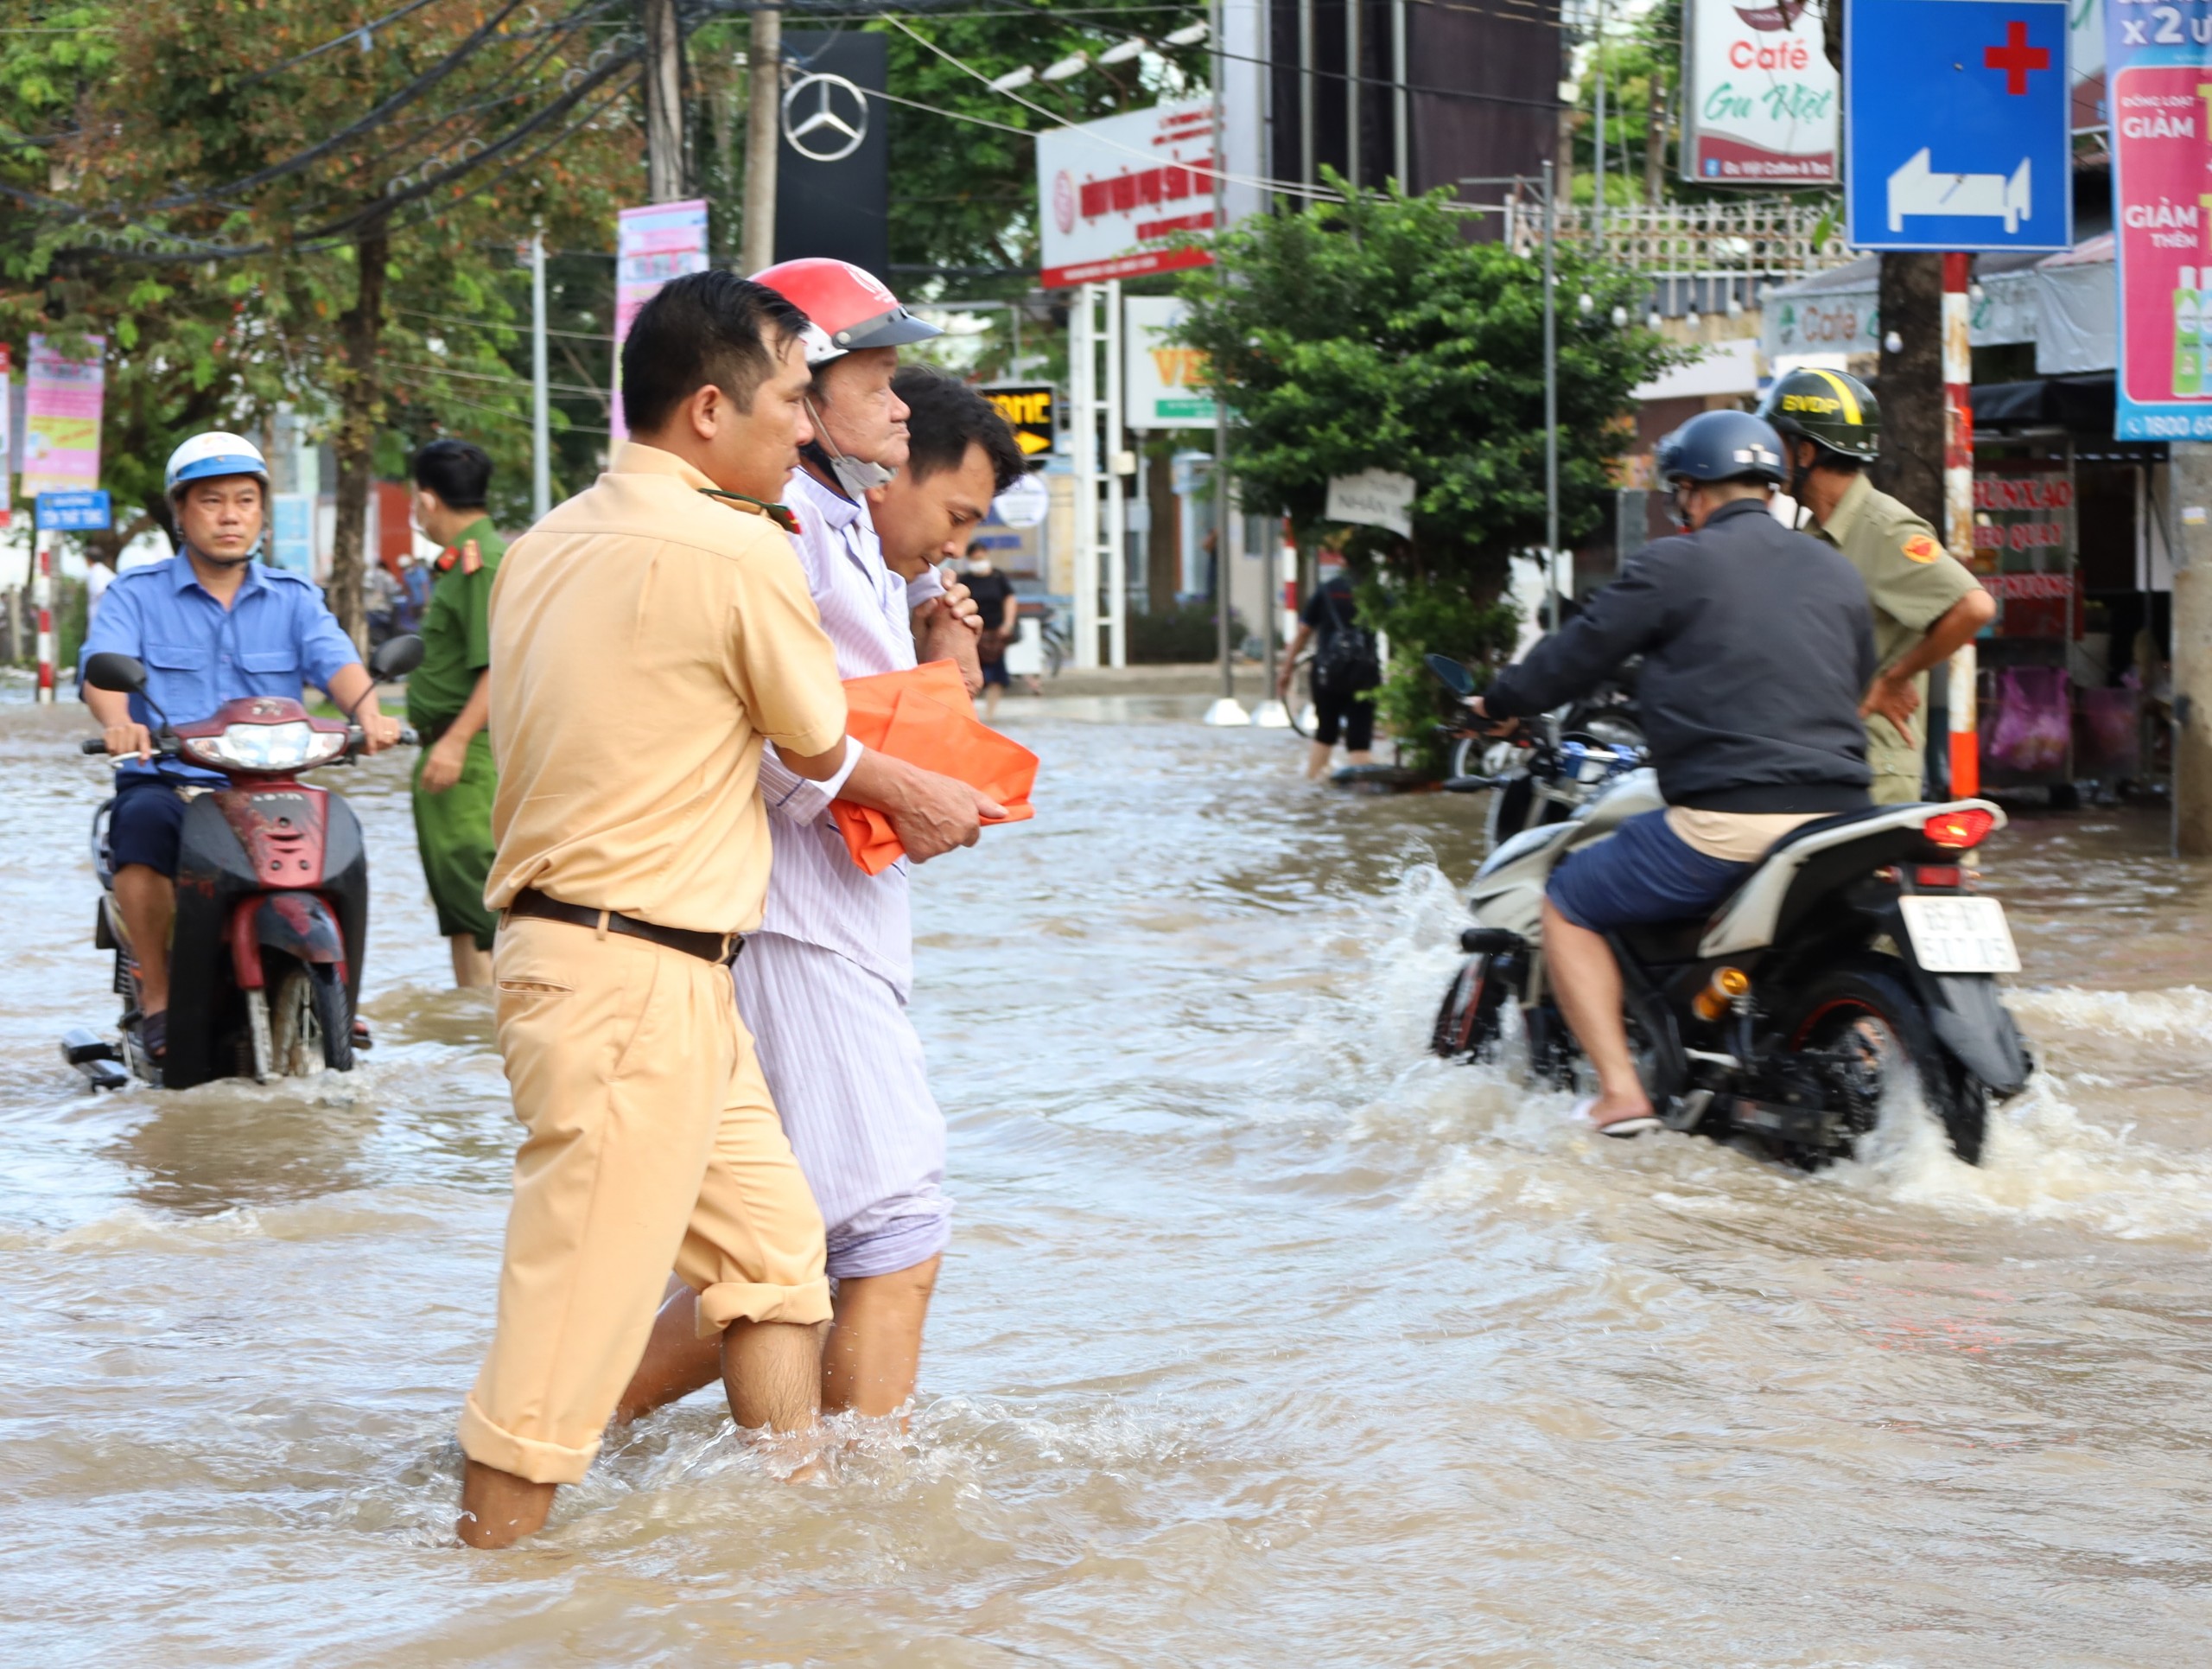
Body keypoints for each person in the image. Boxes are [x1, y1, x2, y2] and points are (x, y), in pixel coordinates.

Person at [454, 269, 1000, 1550]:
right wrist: (930, 780)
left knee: (773, 1257)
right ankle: (479, 1593)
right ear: (709, 410)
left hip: (643, 959)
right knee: (564, 1326)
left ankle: (793, 1538)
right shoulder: (739, 544)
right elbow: (820, 743)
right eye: (795, 402)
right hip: (630, 967)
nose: (805, 429)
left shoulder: (545, 541)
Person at [613, 322, 1027, 1436]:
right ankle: (854, 1513)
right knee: (886, 1224)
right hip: (787, 918)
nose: (891, 413)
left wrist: (946, 665)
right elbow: (760, 730)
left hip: (820, 918)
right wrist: (897, 783)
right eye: (871, 386)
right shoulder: (776, 534)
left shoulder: (852, 551)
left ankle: (564, 1432)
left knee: (775, 1241)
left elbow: (879, 744)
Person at [1467, 411, 1876, 1137]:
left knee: (1568, 900)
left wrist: (1498, 705)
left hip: (1731, 821)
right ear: (1771, 486)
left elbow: (1574, 656)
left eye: (1681, 493)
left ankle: (1622, 1093)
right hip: (1845, 815)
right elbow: (1854, 678)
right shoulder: (1835, 568)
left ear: (1690, 491)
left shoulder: (1674, 564)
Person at [79, 433, 402, 1068]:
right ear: (180, 512)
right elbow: (99, 672)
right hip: (172, 782)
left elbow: (338, 663)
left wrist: (371, 714)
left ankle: (341, 988)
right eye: (212, 500)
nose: (230, 514)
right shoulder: (135, 594)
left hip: (272, 789)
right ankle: (160, 997)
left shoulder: (292, 597)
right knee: (138, 823)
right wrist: (120, 723)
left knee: (346, 835)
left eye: (245, 500)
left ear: (261, 512)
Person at [1758, 368, 1996, 805]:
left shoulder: (1884, 528)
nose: (1771, 461)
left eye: (1779, 445)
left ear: (1806, 451)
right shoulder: (1813, 534)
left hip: (1873, 774)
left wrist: (1897, 676)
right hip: (1819, 765)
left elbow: (1974, 607)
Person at [405, 437, 503, 990]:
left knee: (482, 903)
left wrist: (455, 741)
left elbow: (499, 664)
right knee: (461, 911)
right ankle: (472, 1035)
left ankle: (494, 1042)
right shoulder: (465, 560)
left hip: (470, 756)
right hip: (457, 755)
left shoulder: (480, 563)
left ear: (425, 501)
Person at [1279, 557, 1379, 780]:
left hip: (1327, 675)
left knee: (1325, 733)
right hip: (1364, 675)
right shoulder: (1376, 594)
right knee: (1359, 740)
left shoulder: (1327, 590)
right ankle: (1360, 793)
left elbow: (1303, 633)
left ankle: (1313, 789)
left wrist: (1287, 670)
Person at [962, 539, 1020, 721]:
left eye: (981, 557)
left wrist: (1008, 624)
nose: (979, 561)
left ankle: (990, 713)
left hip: (996, 633)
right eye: (975, 558)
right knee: (970, 674)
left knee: (997, 675)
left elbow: (1009, 600)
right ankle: (970, 712)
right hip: (973, 634)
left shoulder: (997, 577)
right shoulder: (965, 580)